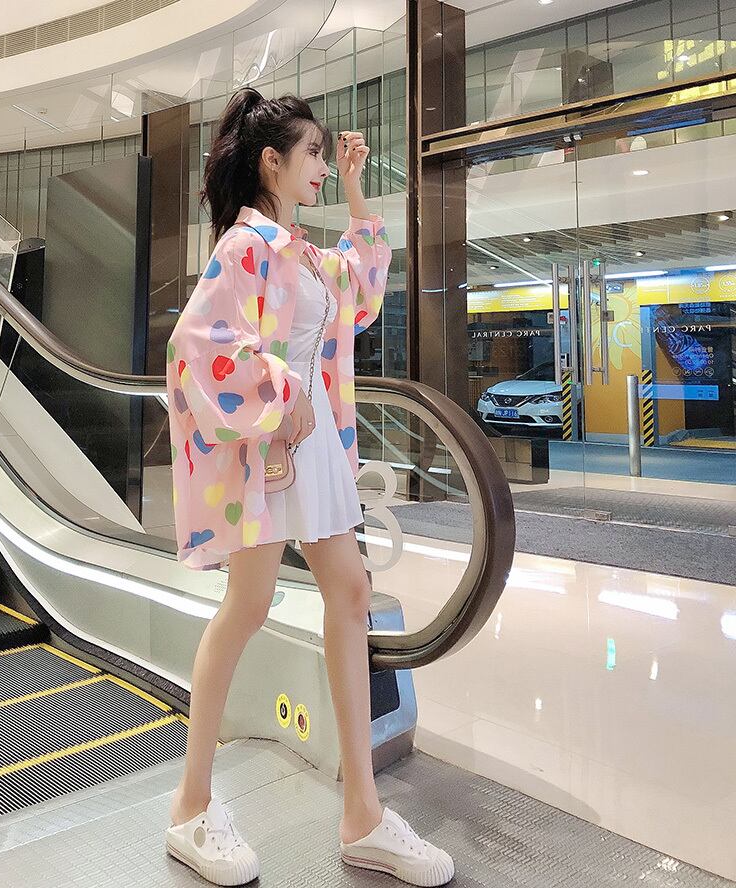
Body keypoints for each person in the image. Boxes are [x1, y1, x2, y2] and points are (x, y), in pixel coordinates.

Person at [163, 87, 454, 887]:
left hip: (311, 442)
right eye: (316, 154)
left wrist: (358, 189)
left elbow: (359, 295)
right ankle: (191, 805)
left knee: (350, 592)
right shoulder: (246, 246)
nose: (324, 165)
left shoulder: (295, 250)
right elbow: (199, 345)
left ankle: (362, 814)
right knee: (249, 606)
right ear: (273, 162)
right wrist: (284, 391)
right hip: (271, 442)